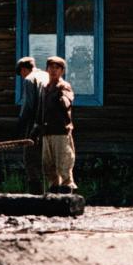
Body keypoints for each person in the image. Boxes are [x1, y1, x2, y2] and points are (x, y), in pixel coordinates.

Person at [39, 56, 77, 194]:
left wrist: (62, 96)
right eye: (51, 67)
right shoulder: (45, 87)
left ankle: (67, 197)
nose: (54, 71)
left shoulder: (64, 86)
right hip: (47, 131)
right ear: (47, 69)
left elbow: (67, 102)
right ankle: (53, 195)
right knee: (48, 166)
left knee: (64, 165)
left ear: (62, 71)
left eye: (57, 68)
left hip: (60, 131)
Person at [16, 56, 49, 195]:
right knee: (48, 160)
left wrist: (20, 125)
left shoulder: (30, 79)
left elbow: (28, 106)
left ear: (23, 70)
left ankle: (36, 195)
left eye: (21, 74)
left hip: (35, 125)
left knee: (31, 160)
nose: (22, 77)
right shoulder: (47, 76)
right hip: (51, 124)